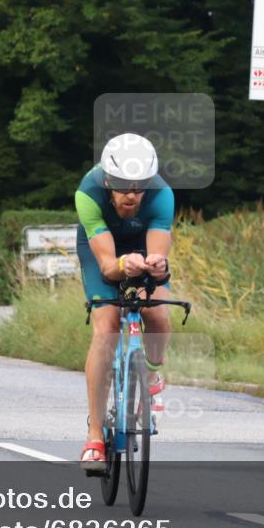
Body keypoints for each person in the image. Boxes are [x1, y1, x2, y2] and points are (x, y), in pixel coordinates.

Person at [75, 133, 174, 470]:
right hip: (101, 250)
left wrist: (157, 266)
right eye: (122, 187)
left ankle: (152, 375)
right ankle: (94, 436)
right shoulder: (89, 192)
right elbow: (106, 266)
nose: (131, 196)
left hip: (142, 246)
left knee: (159, 315)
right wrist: (120, 264)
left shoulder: (161, 195)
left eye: (139, 187)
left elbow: (158, 257)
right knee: (105, 331)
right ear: (107, 180)